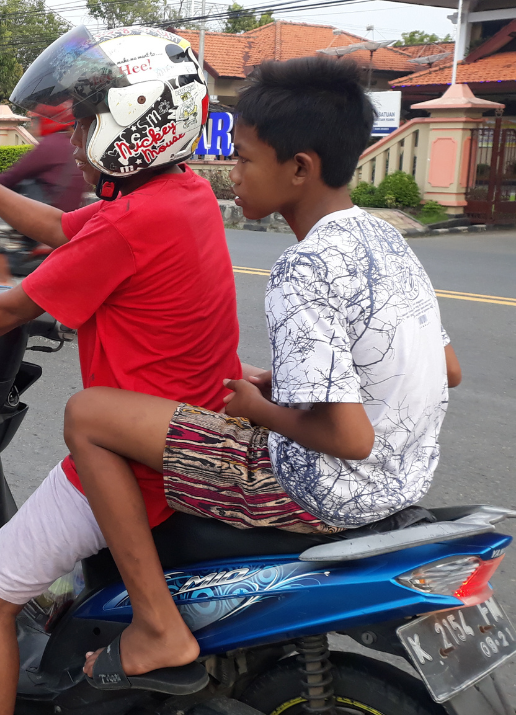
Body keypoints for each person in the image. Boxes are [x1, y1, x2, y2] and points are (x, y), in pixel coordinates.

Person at [62, 56, 463, 689]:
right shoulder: (385, 241)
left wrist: (261, 410)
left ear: (298, 168)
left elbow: (350, 439)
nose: (231, 173)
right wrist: (294, 384)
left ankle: (154, 626)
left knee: (88, 415)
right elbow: (448, 368)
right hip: (401, 481)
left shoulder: (302, 269)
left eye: (245, 159)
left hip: (319, 490)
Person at [0, 26, 240, 713]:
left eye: (87, 125)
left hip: (131, 461)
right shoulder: (182, 197)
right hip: (186, 433)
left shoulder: (127, 223)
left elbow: (10, 307)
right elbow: (63, 229)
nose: (74, 143)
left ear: (135, 123)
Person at [0, 104, 86, 285]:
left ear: (47, 121)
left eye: (36, 120)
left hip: (43, 218)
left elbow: (15, 174)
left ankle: (1, 277)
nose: (33, 126)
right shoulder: (74, 146)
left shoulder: (50, 145)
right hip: (68, 221)